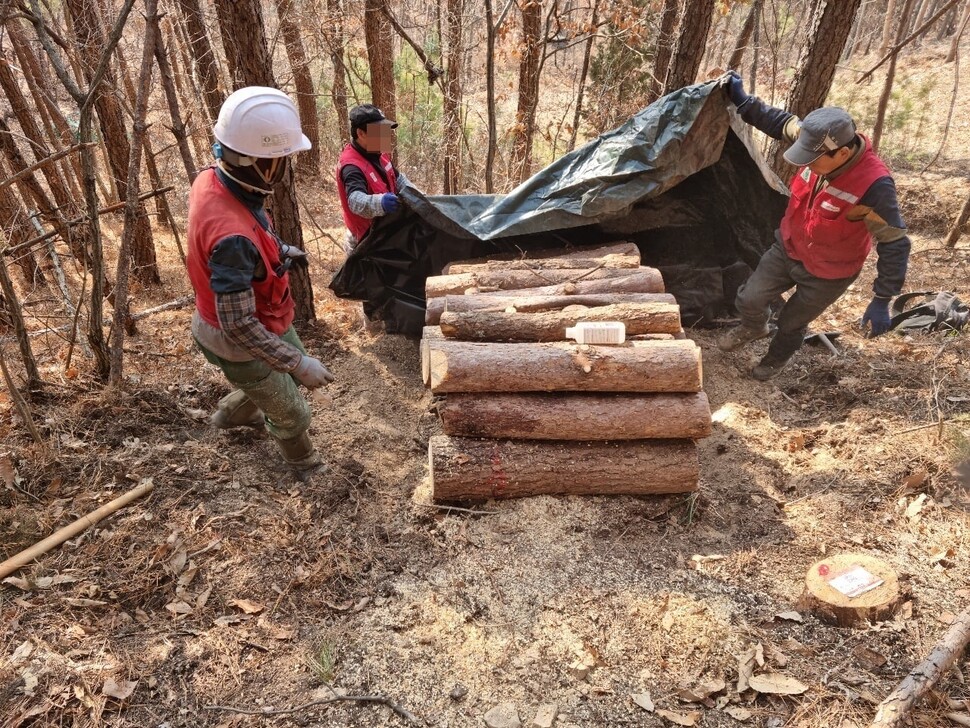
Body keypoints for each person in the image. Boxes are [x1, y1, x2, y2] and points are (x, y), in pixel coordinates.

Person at [716, 71, 911, 380]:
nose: (805, 163)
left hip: (829, 272)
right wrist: (744, 101)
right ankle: (753, 327)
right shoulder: (815, 139)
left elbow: (894, 242)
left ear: (843, 153)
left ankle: (774, 361)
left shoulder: (873, 186)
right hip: (788, 248)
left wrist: (883, 297)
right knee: (749, 298)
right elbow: (779, 122)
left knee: (792, 322)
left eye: (812, 160)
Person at [186, 86, 333, 471]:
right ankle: (304, 464)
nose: (286, 165)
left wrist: (276, 252)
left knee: (282, 375)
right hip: (237, 337)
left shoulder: (215, 180)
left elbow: (243, 232)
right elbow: (238, 325)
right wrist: (297, 363)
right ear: (259, 163)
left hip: (264, 316)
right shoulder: (232, 240)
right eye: (282, 157)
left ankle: (231, 413)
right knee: (292, 411)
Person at [335, 104, 410, 253]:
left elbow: (399, 180)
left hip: (385, 235)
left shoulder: (379, 154)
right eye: (379, 132)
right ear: (361, 133)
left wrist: (419, 196)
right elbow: (355, 201)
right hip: (364, 243)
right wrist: (380, 202)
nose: (385, 136)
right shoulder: (351, 166)